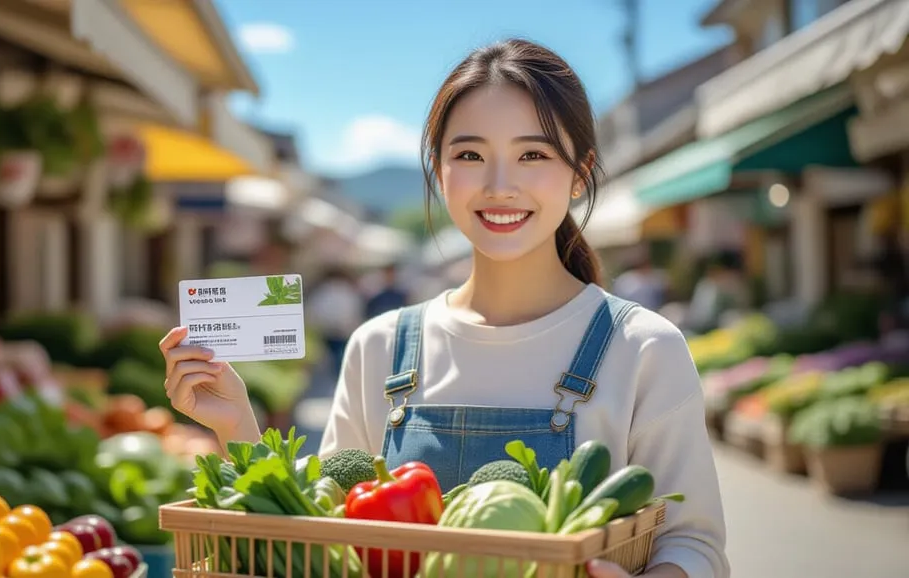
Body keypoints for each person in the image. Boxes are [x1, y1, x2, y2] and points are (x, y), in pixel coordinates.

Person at [159, 38, 728, 578]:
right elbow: (324, 541)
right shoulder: (379, 345)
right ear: (440, 171)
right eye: (470, 154)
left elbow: (693, 544)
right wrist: (235, 424)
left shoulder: (643, 347)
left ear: (579, 175)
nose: (500, 185)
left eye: (533, 153)